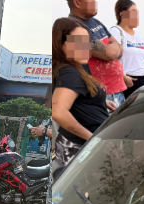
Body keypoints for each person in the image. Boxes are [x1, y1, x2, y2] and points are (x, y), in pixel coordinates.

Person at [51, 18, 112, 168]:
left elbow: (75, 101)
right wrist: (92, 139)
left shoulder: (72, 69)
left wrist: (99, 102)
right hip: (80, 151)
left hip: (79, 148)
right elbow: (58, 112)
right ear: (61, 44)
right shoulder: (70, 73)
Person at [67, 0, 127, 107]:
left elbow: (120, 49)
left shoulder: (95, 22)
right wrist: (112, 48)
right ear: (77, 2)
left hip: (116, 92)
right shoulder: (73, 28)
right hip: (102, 96)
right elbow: (109, 54)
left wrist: (112, 49)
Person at [109, 0, 144, 99]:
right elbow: (110, 59)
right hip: (130, 83)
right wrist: (123, 77)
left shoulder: (142, 38)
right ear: (122, 14)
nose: (137, 16)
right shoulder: (115, 32)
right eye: (133, 11)